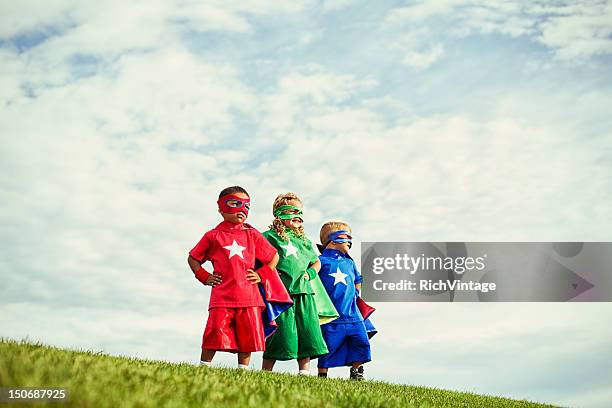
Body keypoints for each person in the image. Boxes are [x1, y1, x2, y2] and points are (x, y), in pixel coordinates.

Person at [187, 186, 283, 369]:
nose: (242, 209)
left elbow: (273, 257)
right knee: (215, 331)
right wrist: (204, 276)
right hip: (222, 295)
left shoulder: (252, 234)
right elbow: (193, 258)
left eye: (246, 205)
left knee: (247, 335)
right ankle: (203, 366)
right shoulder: (213, 236)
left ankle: (243, 370)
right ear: (221, 208)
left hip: (249, 296)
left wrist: (261, 274)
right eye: (235, 203)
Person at [261, 193, 331, 375]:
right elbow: (258, 257)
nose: (298, 215)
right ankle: (266, 371)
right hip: (279, 294)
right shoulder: (269, 237)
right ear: (279, 213)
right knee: (280, 332)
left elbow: (317, 262)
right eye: (292, 211)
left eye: (300, 212)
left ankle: (304, 372)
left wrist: (310, 273)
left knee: (307, 330)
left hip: (304, 292)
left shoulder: (305, 242)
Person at [317, 221, 372, 380]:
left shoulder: (349, 262)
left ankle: (357, 372)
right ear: (332, 240)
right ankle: (322, 375)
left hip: (354, 315)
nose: (349, 241)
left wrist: (355, 291)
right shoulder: (321, 261)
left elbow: (359, 279)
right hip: (332, 315)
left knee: (361, 342)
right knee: (328, 346)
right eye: (345, 236)